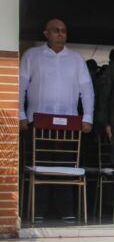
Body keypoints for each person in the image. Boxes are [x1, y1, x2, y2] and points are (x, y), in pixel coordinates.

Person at [19, 18, 95, 222]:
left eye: (63, 30)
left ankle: (66, 210)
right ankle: (38, 210)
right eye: (56, 30)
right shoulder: (32, 55)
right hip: (38, 121)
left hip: (68, 124)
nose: (61, 33)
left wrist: (87, 117)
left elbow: (86, 89)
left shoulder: (76, 58)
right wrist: (20, 114)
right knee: (40, 165)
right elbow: (20, 86)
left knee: (66, 167)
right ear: (46, 33)